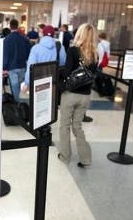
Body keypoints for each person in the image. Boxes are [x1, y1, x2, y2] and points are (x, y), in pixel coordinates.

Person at [57, 23, 98, 168]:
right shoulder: (95, 54)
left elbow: (68, 74)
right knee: (77, 126)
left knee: (64, 126)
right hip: (85, 96)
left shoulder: (73, 51)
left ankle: (65, 156)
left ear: (79, 34)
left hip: (70, 95)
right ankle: (85, 158)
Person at [22, 25, 66, 91]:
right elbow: (63, 62)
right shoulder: (60, 47)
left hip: (38, 82)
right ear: (54, 35)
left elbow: (30, 67)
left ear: (43, 34)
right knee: (54, 100)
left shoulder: (35, 48)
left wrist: (27, 83)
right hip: (54, 82)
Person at [3, 19, 31, 102]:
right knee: (23, 87)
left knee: (15, 88)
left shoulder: (7, 39)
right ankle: (25, 105)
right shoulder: (24, 38)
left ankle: (18, 106)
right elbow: (28, 53)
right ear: (17, 26)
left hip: (12, 68)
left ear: (10, 26)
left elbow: (6, 55)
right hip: (23, 66)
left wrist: (4, 67)